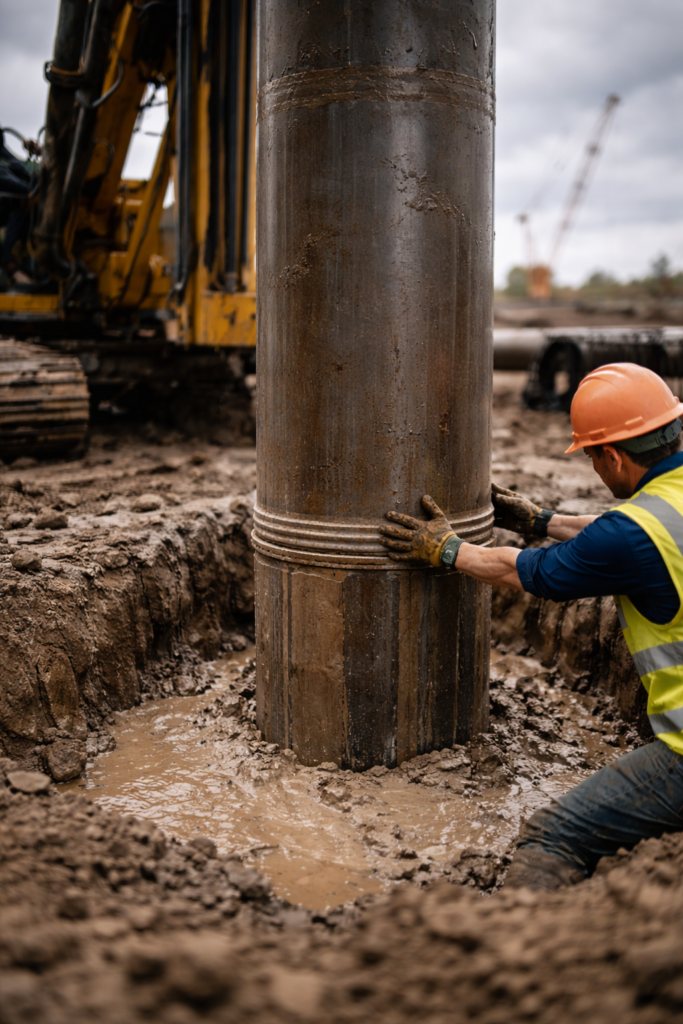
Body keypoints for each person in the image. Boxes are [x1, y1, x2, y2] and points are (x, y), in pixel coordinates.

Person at [379, 363, 683, 891]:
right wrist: (539, 520)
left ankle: (526, 946)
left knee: (553, 836)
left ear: (611, 454)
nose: (593, 466)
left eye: (591, 456)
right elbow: (620, 529)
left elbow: (533, 572)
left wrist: (449, 550)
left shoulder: (632, 535)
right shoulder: (663, 504)